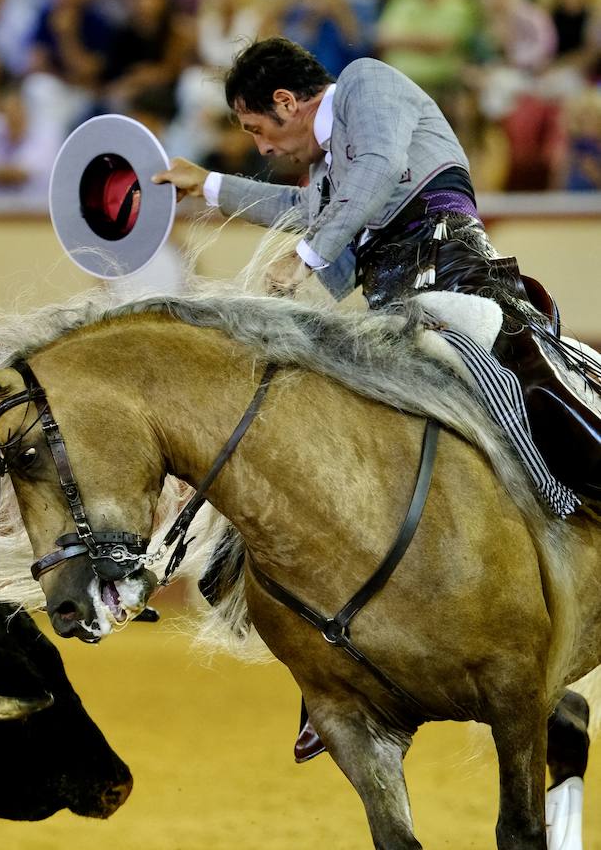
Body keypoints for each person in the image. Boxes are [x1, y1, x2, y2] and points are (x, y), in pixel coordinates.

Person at [152, 36, 601, 506]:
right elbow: (303, 208)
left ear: (285, 102)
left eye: (257, 129)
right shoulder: (331, 165)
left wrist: (305, 257)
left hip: (452, 270)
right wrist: (206, 183)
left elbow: (380, 167)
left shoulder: (365, 80)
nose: (261, 147)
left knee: (513, 364)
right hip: (393, 301)